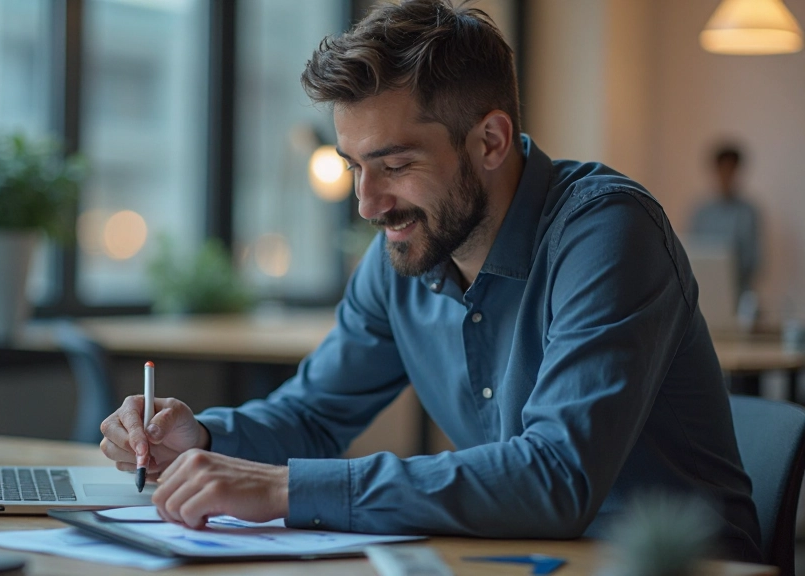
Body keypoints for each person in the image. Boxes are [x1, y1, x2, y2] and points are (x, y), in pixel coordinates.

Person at [101, 0, 761, 561]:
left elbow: (556, 478)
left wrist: (285, 489)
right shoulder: (406, 250)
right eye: (354, 166)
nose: (367, 203)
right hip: (515, 559)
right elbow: (312, 413)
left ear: (492, 141)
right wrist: (205, 439)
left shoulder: (607, 233)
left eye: (395, 164)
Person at [689, 144, 762, 299]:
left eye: (731, 170)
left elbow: (754, 261)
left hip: (738, 294)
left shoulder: (748, 212)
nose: (726, 175)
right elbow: (690, 253)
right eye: (723, 169)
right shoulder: (701, 212)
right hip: (704, 293)